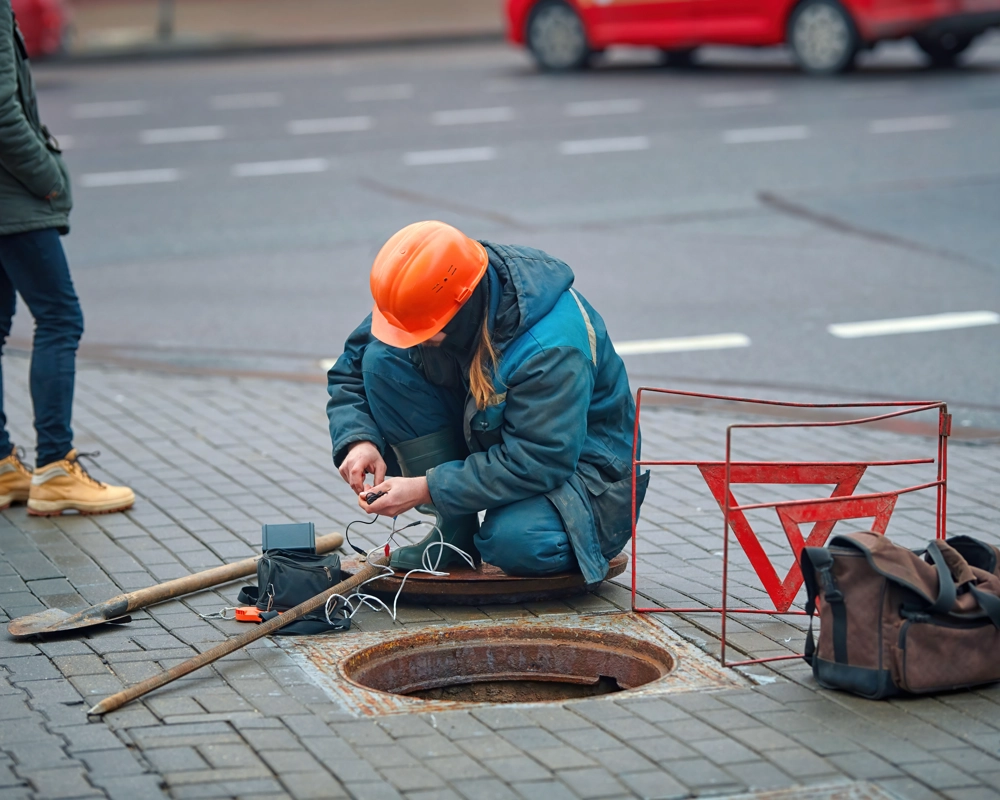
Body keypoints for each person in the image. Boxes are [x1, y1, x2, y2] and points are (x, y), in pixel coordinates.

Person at [326, 220, 648, 583]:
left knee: (516, 541)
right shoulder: (432, 290)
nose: (417, 339)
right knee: (383, 360)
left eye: (428, 333)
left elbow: (540, 459)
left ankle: (546, 530)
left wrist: (426, 486)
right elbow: (351, 367)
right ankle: (453, 534)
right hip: (496, 436)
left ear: (459, 310)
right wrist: (358, 440)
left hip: (581, 472)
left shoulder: (551, 348)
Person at [0, 0, 134, 516]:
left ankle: (2, 464)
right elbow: (4, 115)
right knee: (59, 317)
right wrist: (48, 180)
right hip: (12, 195)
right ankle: (56, 468)